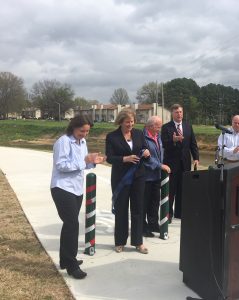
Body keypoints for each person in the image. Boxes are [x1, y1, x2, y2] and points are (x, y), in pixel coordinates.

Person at [50, 115, 105, 279]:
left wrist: (94, 161)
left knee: (69, 225)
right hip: (62, 187)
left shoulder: (83, 142)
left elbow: (84, 165)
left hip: (76, 189)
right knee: (72, 224)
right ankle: (71, 265)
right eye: (82, 131)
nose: (85, 134)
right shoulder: (64, 142)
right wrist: (84, 161)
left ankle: (65, 260)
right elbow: (61, 165)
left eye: (87, 131)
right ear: (73, 127)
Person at [105, 108, 150, 254]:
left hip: (138, 177)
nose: (130, 124)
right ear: (120, 122)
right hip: (121, 178)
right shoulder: (112, 137)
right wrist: (125, 158)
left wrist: (146, 152)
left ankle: (138, 242)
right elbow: (110, 158)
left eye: (132, 122)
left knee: (138, 209)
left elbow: (144, 149)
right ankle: (120, 242)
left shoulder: (138, 133)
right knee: (121, 210)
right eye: (127, 122)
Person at [161, 104, 199, 221]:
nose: (179, 114)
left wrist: (196, 158)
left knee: (183, 189)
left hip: (185, 163)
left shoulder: (188, 126)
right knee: (171, 190)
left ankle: (180, 213)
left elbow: (193, 144)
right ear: (172, 114)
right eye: (177, 112)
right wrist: (173, 140)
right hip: (171, 164)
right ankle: (169, 215)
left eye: (181, 112)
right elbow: (164, 144)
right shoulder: (166, 127)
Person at [143, 116, 171, 237]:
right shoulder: (142, 138)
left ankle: (153, 224)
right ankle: (143, 228)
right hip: (146, 176)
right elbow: (146, 158)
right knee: (145, 203)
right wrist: (160, 165)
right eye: (158, 126)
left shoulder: (157, 136)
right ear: (150, 126)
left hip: (156, 176)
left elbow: (160, 152)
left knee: (154, 202)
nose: (160, 129)